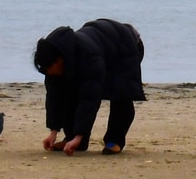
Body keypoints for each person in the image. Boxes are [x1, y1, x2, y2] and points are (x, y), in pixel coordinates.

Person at [34, 18, 145, 155]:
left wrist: (80, 134)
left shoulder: (89, 57)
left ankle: (114, 140)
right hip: (102, 41)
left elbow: (90, 98)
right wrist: (53, 131)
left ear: (60, 60)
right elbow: (55, 97)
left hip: (126, 45)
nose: (47, 72)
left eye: (49, 68)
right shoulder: (51, 58)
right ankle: (73, 139)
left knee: (120, 93)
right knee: (71, 93)